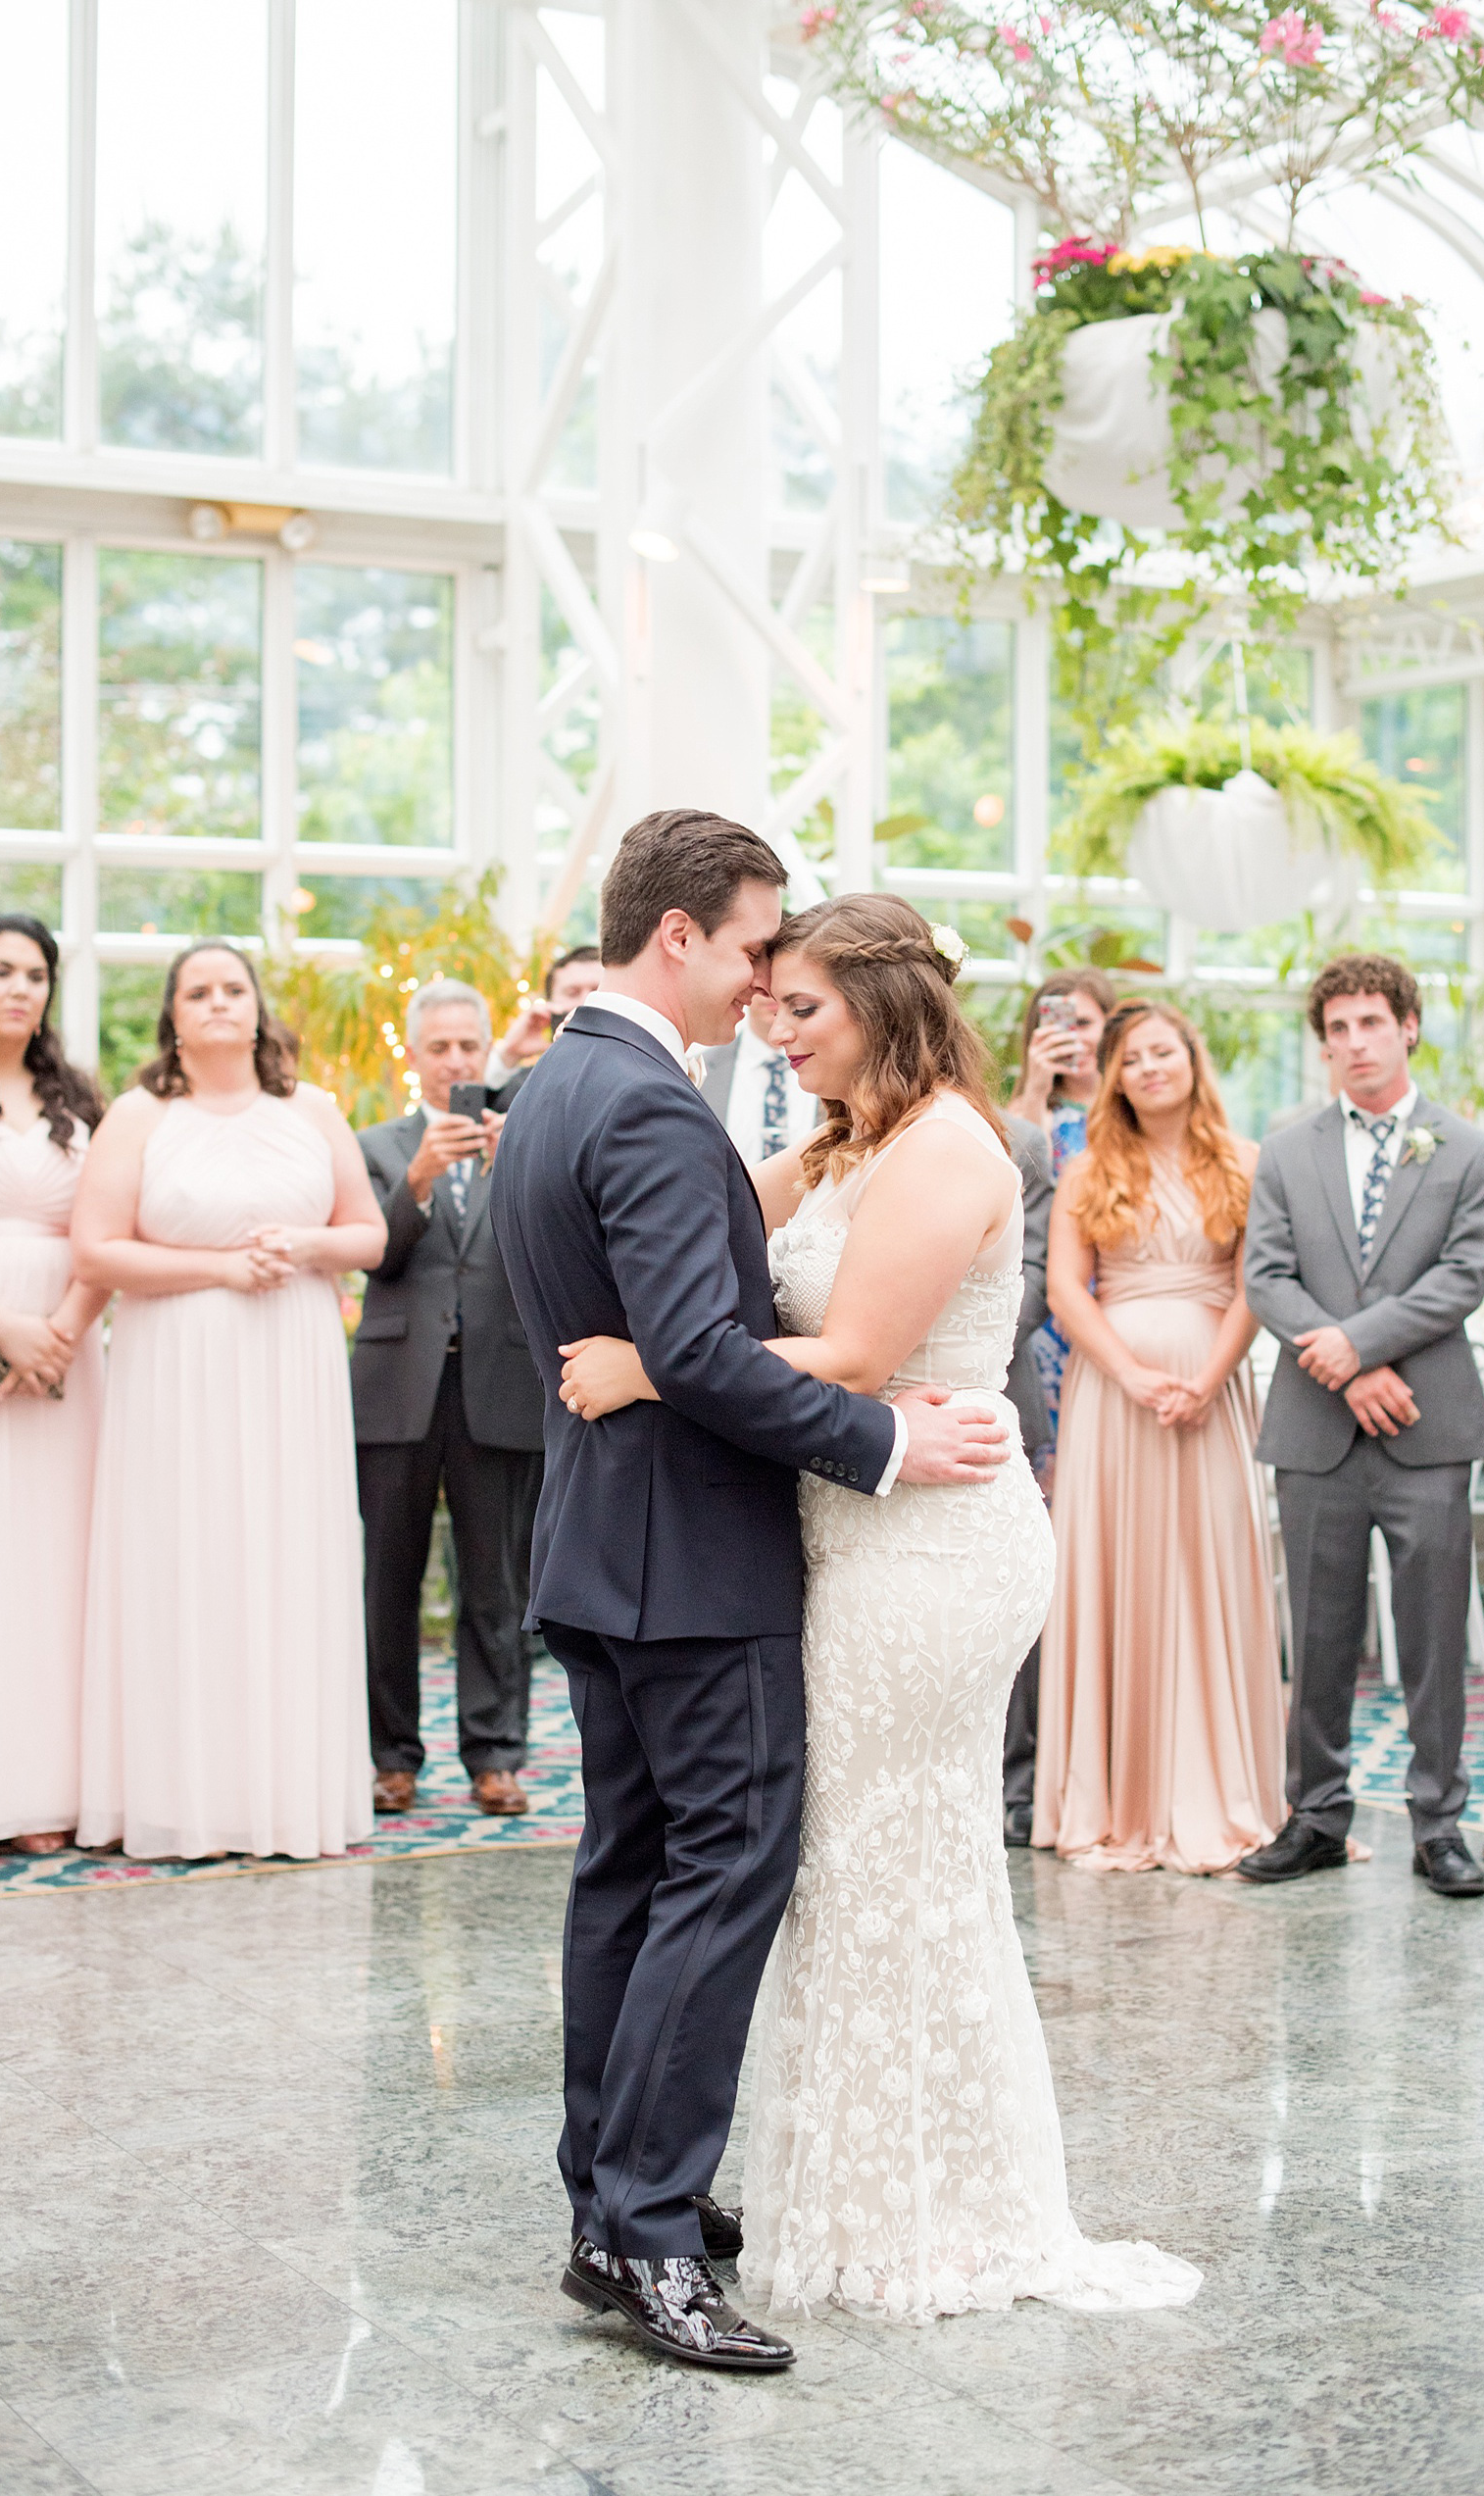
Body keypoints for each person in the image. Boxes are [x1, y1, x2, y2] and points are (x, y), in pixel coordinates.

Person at [553, 880, 1200, 2333]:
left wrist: (646, 1370)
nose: (777, 1032)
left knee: (883, 1858)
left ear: (889, 1008)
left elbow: (842, 1351)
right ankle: (841, 2180)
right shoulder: (840, 1147)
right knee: (843, 1864)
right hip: (846, 1530)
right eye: (770, 1000)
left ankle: (921, 2204)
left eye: (804, 1009)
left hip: (932, 1539)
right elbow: (704, 1247)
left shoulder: (950, 1146)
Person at [493, 814, 1020, 2374]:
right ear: (680, 938)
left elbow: (660, 1338)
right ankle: (648, 2233)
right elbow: (707, 1355)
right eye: (747, 953)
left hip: (607, 1548)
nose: (758, 990)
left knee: (631, 1873)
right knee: (722, 1874)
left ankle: (610, 2196)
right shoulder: (650, 1107)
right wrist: (884, 1441)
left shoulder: (558, 1086)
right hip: (694, 1562)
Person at [73, 942, 385, 1862]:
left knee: (285, 1560)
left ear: (258, 1009)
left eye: (232, 989)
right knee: (185, 1561)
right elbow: (95, 1252)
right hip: (174, 1367)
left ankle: (288, 1799)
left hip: (291, 1363)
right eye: (197, 992)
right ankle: (177, 1799)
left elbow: (367, 1235)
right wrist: (219, 1267)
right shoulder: (137, 1115)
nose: (216, 1004)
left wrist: (297, 1244)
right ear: (173, 1015)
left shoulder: (311, 1108)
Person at [1238, 955, 1484, 1900]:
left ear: (1409, 1028)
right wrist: (1341, 1363)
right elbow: (1265, 1273)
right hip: (1317, 1429)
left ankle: (1440, 1825)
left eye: (1371, 1024)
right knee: (1317, 1636)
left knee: (1432, 1639)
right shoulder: (1286, 1145)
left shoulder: (1466, 1149)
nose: (1354, 1043)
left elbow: (1462, 1278)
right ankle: (1315, 1817)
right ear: (1324, 1044)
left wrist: (1355, 1345)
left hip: (1427, 1427)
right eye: (1337, 1029)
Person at [1032, 1001, 1284, 1873]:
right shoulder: (1089, 1169)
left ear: (1191, 1060)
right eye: (1130, 1057)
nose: (1147, 1067)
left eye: (1162, 1051)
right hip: (1113, 1397)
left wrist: (1209, 1379)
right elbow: (1068, 1291)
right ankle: (1119, 1796)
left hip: (1212, 1396)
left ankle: (1220, 1784)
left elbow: (1259, 1284)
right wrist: (1134, 1377)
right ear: (1114, 1077)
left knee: (1212, 1565)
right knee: (1120, 1573)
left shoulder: (1245, 1163)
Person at [354, 978, 545, 1820]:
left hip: (500, 1385)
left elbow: (556, 1252)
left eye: (470, 1045)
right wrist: (419, 1184)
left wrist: (520, 1170)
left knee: (495, 1585)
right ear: (415, 1054)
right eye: (440, 1047)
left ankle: (496, 1756)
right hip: (398, 1391)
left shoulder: (526, 1141)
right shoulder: (377, 1146)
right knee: (387, 1582)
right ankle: (392, 1756)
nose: (457, 1060)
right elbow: (375, 1255)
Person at [0, 917, 108, 1866]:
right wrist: (5, 1329)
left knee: (54, 1573)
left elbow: (107, 1223)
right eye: (0, 970)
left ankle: (47, 1789)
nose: (20, 987)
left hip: (65, 1363)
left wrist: (60, 1333)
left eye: (36, 973)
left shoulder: (76, 1099)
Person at [1006, 969, 1116, 1464]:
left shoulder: (1133, 1113)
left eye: (1086, 1022)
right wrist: (1035, 1084)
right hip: (1046, 1306)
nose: (1074, 1038)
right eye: (1059, 1025)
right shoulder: (1031, 1114)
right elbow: (1010, 1180)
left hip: (1117, 1298)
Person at [1000, 1108, 1054, 1846]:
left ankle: (1019, 1783)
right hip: (838, 1415)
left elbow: (1034, 1285)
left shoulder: (1019, 1142)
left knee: (1006, 1610)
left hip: (993, 1402)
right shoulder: (824, 1136)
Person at [699, 985, 820, 1167]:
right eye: (763, 985)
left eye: (778, 984)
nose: (771, 995)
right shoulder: (700, 1070)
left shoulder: (831, 1066)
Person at [485, 944, 603, 1097]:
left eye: (597, 991)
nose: (584, 1002)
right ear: (550, 1003)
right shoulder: (524, 1088)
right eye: (572, 993)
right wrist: (509, 1053)